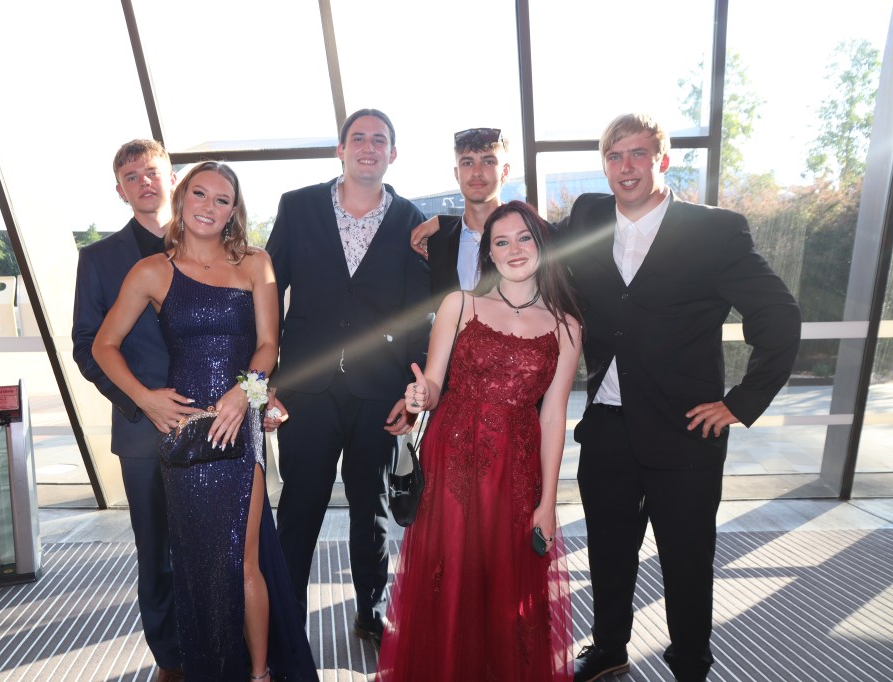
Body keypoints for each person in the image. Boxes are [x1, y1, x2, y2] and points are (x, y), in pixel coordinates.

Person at [556, 113, 801, 682]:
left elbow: (778, 315)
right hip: (608, 425)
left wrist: (741, 402)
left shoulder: (715, 231)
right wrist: (447, 227)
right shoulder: (588, 215)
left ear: (662, 160)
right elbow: (522, 237)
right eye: (615, 156)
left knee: (686, 559)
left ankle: (690, 664)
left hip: (686, 428)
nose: (626, 167)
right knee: (608, 552)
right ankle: (609, 648)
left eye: (638, 154)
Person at [92, 161, 317, 681]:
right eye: (200, 194)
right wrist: (146, 399)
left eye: (222, 199)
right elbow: (103, 345)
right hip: (185, 433)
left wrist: (245, 393)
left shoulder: (256, 263)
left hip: (240, 428)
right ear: (182, 198)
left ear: (234, 210)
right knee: (196, 565)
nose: (209, 207)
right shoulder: (151, 271)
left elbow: (269, 345)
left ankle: (258, 673)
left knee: (244, 560)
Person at [377, 200, 581, 681]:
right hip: (452, 461)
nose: (515, 249)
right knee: (448, 579)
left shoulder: (567, 325)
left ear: (542, 244)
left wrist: (547, 503)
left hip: (516, 470)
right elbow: (433, 385)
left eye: (524, 238)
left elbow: (554, 416)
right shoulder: (460, 303)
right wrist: (419, 395)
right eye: (501, 241)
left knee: (507, 588)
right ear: (489, 252)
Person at [265, 108, 431, 649]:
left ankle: (370, 610)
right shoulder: (297, 207)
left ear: (392, 154)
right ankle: (286, 617)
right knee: (299, 507)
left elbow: (420, 314)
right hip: (305, 390)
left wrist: (412, 396)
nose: (368, 147)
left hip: (378, 392)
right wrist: (263, 381)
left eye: (379, 140)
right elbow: (267, 295)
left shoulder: (412, 220)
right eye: (358, 138)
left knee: (372, 510)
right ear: (340, 149)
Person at [72, 139, 192, 682]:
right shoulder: (99, 260)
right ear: (120, 191)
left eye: (152, 171)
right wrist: (141, 401)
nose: (144, 181)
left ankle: (221, 641)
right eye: (131, 176)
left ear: (173, 178)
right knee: (157, 553)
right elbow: (87, 345)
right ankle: (170, 658)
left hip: (216, 422)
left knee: (220, 546)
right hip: (143, 431)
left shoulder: (214, 244)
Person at [412, 127, 511, 297]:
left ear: (505, 172)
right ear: (456, 174)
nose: (477, 172)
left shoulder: (535, 238)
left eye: (488, 162)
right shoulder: (437, 242)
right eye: (467, 163)